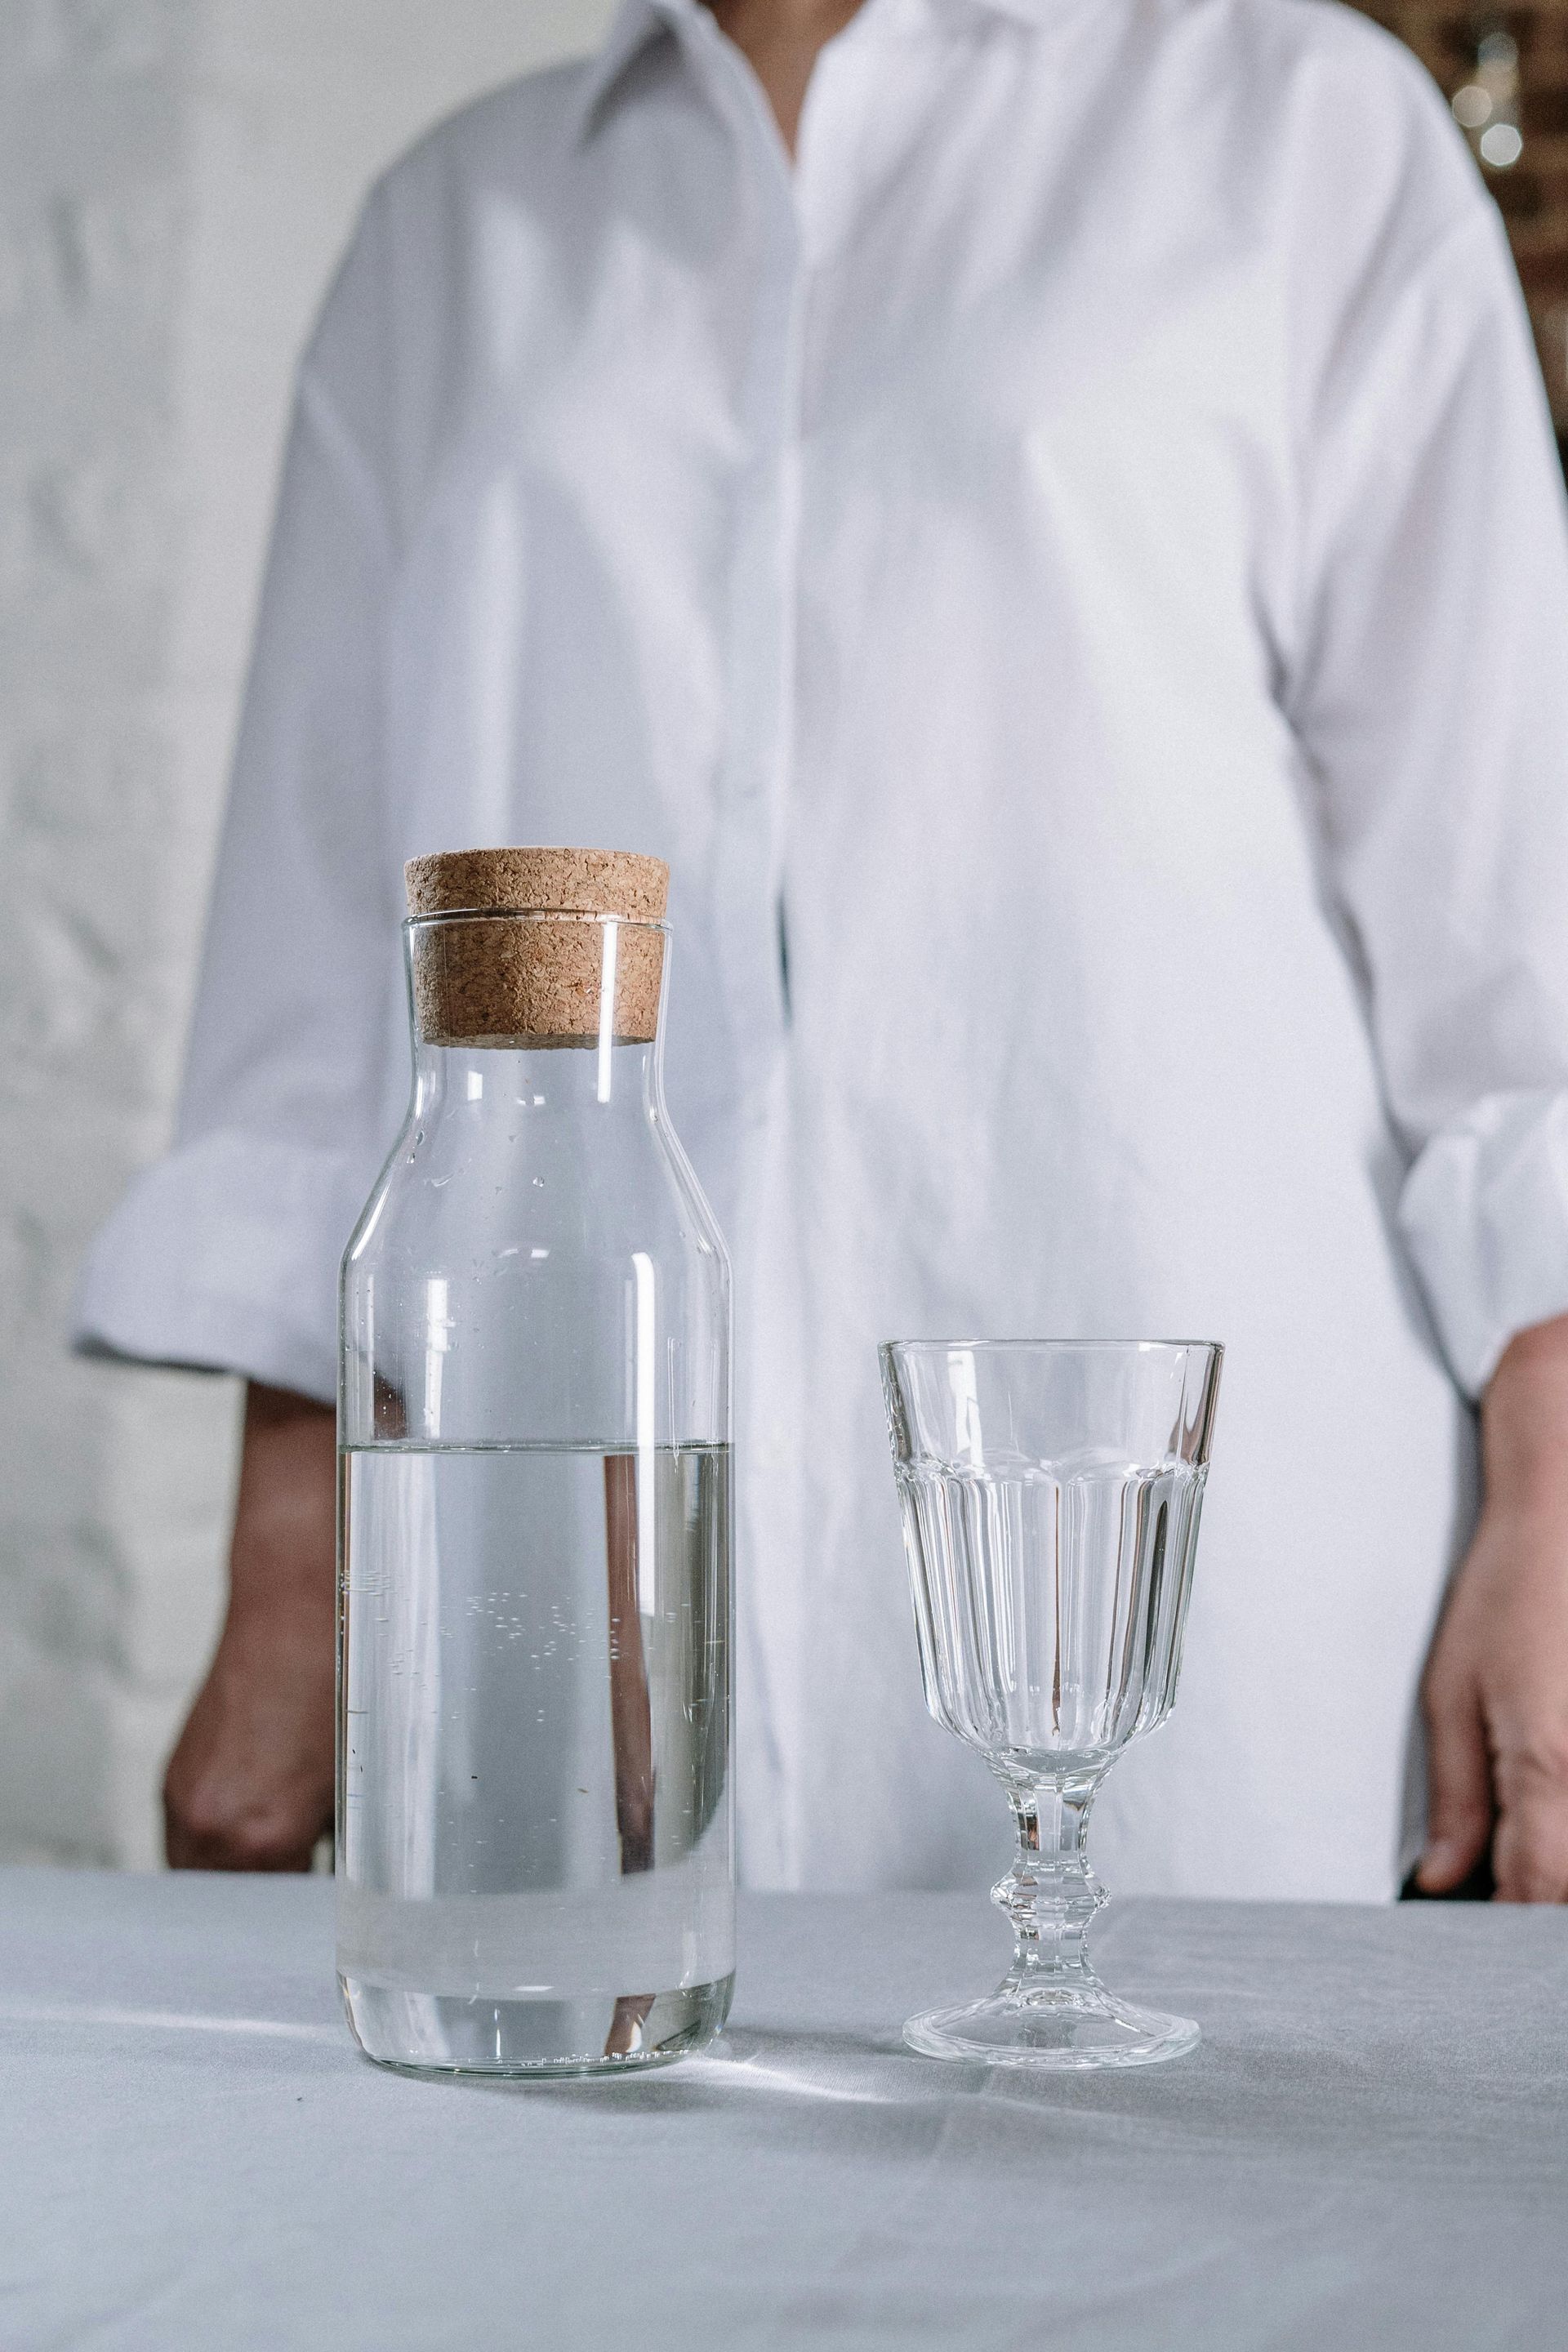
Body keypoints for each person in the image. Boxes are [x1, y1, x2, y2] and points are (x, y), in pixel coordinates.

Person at [75, 0, 1568, 1901]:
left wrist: (1558, 1517)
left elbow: (1520, 942)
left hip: (1201, 1599)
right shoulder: (449, 229)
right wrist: (291, 1570)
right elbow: (313, 987)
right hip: (565, 1614)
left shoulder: (1299, 127)